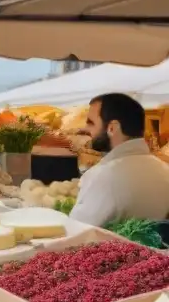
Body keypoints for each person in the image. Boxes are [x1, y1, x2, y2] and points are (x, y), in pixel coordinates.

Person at [70, 93, 169, 226]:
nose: (85, 129)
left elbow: (76, 231)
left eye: (91, 123)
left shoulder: (103, 177)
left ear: (112, 128)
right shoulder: (165, 171)